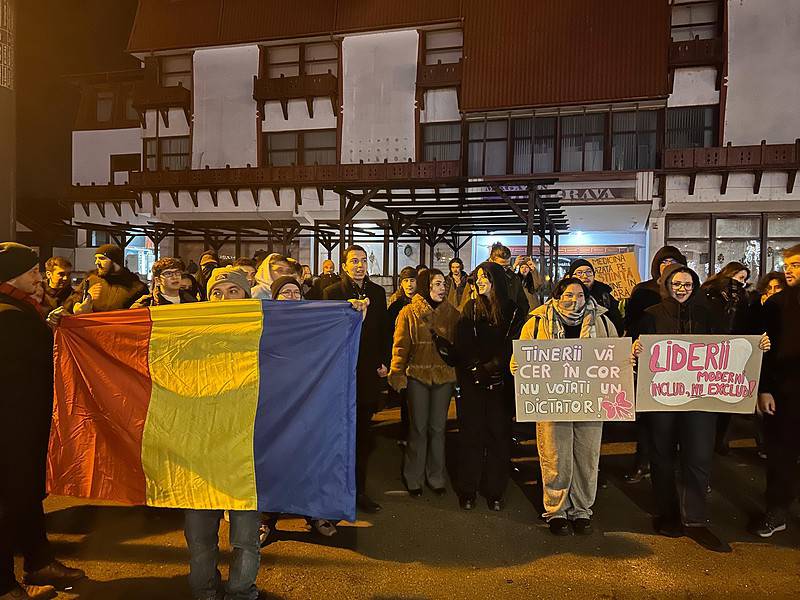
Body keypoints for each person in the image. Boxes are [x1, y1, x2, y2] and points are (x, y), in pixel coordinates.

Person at [632, 263, 769, 553]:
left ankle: (694, 519)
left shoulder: (709, 313)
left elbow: (730, 346)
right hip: (662, 399)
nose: (682, 289)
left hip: (700, 400)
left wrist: (759, 346)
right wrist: (636, 350)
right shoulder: (650, 316)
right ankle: (667, 515)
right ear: (666, 285)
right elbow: (636, 347)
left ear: (694, 287)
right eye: (676, 284)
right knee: (662, 457)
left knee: (698, 456)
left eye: (687, 284)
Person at [0, 243, 86, 600]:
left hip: (25, 426)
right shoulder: (9, 316)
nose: (40, 277)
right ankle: (4, 585)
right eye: (33, 271)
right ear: (12, 277)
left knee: (28, 497)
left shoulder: (24, 310)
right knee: (8, 503)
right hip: (12, 430)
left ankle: (38, 561)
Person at [511, 277, 617, 535]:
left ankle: (581, 510)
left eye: (580, 295)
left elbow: (614, 353)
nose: (574, 300)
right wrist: (517, 365)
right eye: (568, 295)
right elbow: (522, 356)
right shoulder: (537, 322)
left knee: (586, 457)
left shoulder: (602, 321)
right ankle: (556, 511)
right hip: (552, 401)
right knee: (555, 457)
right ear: (557, 297)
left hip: (590, 402)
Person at [184, 266, 262, 600]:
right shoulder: (190, 331)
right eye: (217, 291)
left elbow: (309, 343)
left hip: (246, 449)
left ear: (247, 295)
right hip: (201, 447)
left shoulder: (264, 330)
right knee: (199, 534)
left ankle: (241, 592)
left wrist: (351, 314)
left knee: (245, 535)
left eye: (234, 291)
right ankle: (203, 590)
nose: (224, 297)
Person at [323, 245, 390, 513]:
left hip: (367, 373)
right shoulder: (332, 293)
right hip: (340, 373)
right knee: (338, 435)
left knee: (362, 435)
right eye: (354, 261)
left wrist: (384, 360)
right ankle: (334, 491)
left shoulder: (377, 292)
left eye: (363, 261)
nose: (360, 265)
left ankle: (358, 491)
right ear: (344, 266)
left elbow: (385, 329)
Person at [453, 262, 525, 512]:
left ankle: (495, 491)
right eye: (478, 277)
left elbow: (515, 343)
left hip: (500, 382)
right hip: (473, 383)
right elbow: (462, 341)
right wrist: (475, 369)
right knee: (471, 436)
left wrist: (493, 367)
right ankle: (468, 489)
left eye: (485, 277)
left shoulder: (513, 310)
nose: (480, 281)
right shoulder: (471, 307)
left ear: (496, 280)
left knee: (498, 438)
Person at [388, 269, 459, 497]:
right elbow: (400, 347)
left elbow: (459, 348)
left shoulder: (453, 314)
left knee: (438, 429)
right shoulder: (408, 313)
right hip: (417, 375)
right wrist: (397, 373)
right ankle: (414, 477)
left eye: (444, 284)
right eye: (437, 284)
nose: (442, 289)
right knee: (418, 428)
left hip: (444, 376)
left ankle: (436, 476)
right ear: (425, 286)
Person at [622, 245, 687, 484]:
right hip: (652, 362)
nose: (668, 263)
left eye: (673, 260)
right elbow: (632, 323)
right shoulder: (643, 291)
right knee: (648, 418)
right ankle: (643, 461)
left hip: (684, 367)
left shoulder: (689, 291)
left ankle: (679, 465)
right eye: (664, 260)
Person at [752, 245, 800, 538]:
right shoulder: (776, 305)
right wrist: (764, 389)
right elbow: (764, 352)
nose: (789, 270)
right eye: (787, 265)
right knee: (781, 455)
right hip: (784, 394)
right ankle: (777, 510)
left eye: (796, 265)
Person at [700, 261, 752, 454]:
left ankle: (718, 440)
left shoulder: (742, 298)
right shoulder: (711, 293)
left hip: (732, 352)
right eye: (739, 278)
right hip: (713, 352)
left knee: (726, 398)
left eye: (744, 280)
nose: (742, 283)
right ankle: (710, 440)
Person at [63, 244, 147, 315]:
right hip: (93, 332)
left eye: (102, 258)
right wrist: (77, 306)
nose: (96, 263)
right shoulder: (91, 279)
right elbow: (71, 301)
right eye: (96, 258)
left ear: (116, 262)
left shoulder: (136, 287)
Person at [387, 267, 418, 446]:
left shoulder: (423, 303)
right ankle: (406, 433)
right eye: (405, 281)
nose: (409, 284)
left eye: (412, 280)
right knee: (406, 399)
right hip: (404, 358)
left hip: (420, 359)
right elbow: (390, 333)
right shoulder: (396, 306)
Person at [567, 259, 623, 335]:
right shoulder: (562, 293)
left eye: (589, 272)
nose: (585, 276)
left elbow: (616, 319)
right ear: (571, 276)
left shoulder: (604, 294)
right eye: (579, 273)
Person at [131, 258, 198, 308]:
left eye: (177, 273)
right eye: (168, 274)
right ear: (158, 281)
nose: (174, 277)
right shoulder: (146, 304)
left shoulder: (192, 301)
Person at [489, 243, 530, 316]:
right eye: (500, 267)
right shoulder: (479, 278)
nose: (503, 270)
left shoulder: (514, 279)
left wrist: (516, 321)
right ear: (491, 261)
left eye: (506, 266)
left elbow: (523, 304)